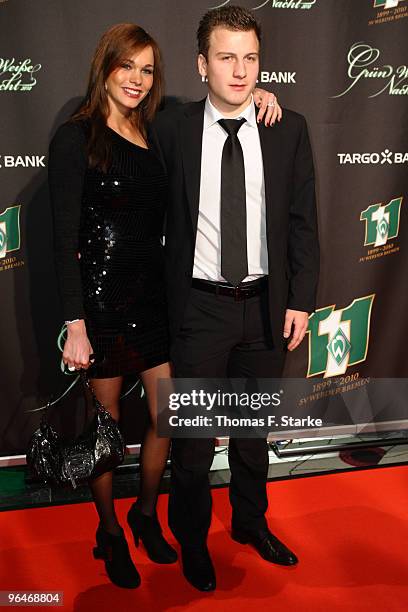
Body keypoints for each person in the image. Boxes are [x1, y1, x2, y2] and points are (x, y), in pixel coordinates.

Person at [48, 22, 281, 589]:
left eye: (148, 70)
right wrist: (74, 323)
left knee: (166, 419)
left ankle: (146, 515)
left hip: (153, 301)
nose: (136, 79)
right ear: (105, 66)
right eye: (127, 66)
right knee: (104, 430)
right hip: (100, 306)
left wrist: (264, 95)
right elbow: (61, 240)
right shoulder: (75, 138)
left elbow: (230, 108)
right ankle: (108, 531)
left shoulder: (155, 132)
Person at [150, 5, 320, 592]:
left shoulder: (287, 127)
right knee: (194, 444)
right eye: (226, 57)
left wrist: (300, 299)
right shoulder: (170, 129)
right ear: (202, 65)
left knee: (253, 439)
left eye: (250, 59)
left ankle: (250, 525)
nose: (241, 71)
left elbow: (303, 224)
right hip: (198, 310)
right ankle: (193, 541)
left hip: (266, 308)